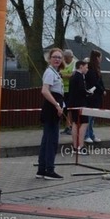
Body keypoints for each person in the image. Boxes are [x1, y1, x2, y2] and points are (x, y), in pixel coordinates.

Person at [37, 48, 65, 180]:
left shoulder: (55, 72)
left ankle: (42, 169)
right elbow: (45, 90)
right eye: (55, 57)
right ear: (49, 59)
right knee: (51, 140)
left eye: (59, 57)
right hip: (51, 108)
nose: (57, 59)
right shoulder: (49, 72)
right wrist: (57, 105)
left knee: (47, 139)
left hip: (53, 107)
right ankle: (49, 169)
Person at [68, 60, 90, 155]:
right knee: (84, 123)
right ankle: (81, 146)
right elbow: (81, 90)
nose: (87, 69)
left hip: (73, 103)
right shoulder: (79, 76)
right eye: (86, 67)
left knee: (75, 123)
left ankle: (75, 146)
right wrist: (88, 93)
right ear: (81, 66)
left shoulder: (73, 76)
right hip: (80, 104)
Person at [84, 50, 105, 143]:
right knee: (89, 116)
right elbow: (95, 82)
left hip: (97, 96)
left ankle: (91, 134)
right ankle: (86, 135)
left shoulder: (97, 68)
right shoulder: (91, 69)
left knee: (93, 117)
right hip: (92, 96)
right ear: (97, 57)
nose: (101, 59)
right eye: (100, 57)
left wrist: (103, 89)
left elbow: (100, 81)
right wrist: (101, 90)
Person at [60, 49, 75, 135]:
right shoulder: (62, 63)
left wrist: (62, 75)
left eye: (66, 57)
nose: (65, 59)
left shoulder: (74, 63)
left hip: (71, 90)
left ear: (70, 57)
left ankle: (69, 126)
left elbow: (72, 75)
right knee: (64, 109)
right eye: (64, 57)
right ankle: (67, 126)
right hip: (62, 90)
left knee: (69, 109)